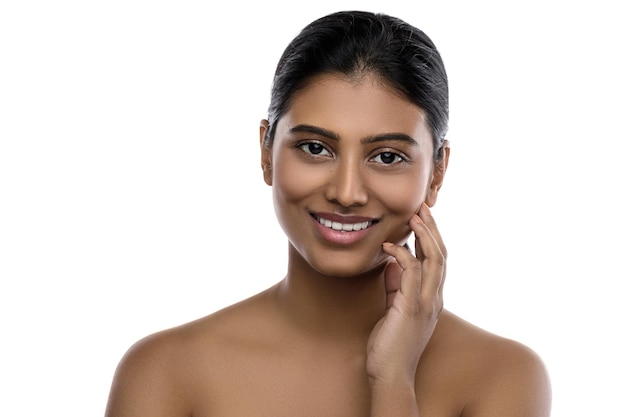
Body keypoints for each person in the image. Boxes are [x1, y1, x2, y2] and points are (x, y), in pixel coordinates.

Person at [105, 10, 551, 417]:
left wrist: (393, 380)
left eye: (388, 157)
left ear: (437, 173)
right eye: (315, 148)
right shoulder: (166, 372)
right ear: (266, 153)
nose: (347, 192)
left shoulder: (503, 376)